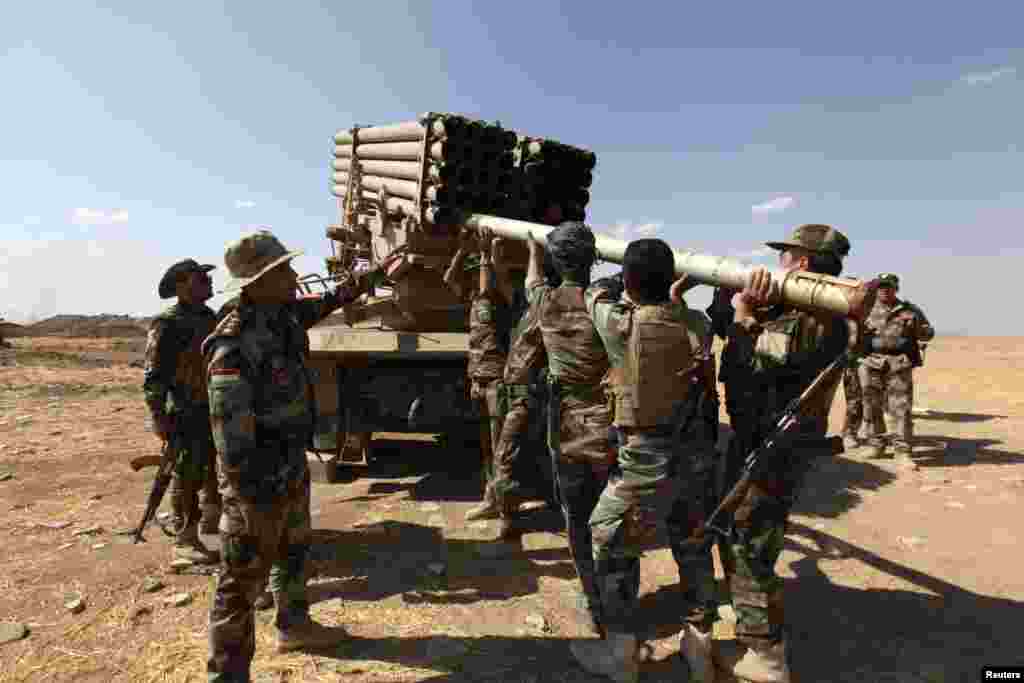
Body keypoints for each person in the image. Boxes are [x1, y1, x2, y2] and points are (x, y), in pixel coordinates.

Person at [203, 230, 360, 681]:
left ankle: (294, 625)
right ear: (261, 280)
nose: (294, 276)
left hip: (290, 463)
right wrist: (251, 497)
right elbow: (231, 439)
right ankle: (228, 674)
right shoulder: (233, 342)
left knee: (294, 551)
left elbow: (322, 305)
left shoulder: (282, 318)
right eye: (285, 270)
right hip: (254, 480)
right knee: (239, 583)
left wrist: (365, 282)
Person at [704, 224, 851, 683]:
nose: (780, 263)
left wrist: (744, 314)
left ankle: (764, 655)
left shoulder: (805, 321)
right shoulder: (807, 315)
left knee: (749, 543)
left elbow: (743, 372)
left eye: (786, 255)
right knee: (741, 535)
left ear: (802, 262)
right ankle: (753, 621)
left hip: (770, 450)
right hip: (771, 445)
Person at [569, 239, 720, 683]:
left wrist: (622, 277)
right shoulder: (698, 322)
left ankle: (621, 653)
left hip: (644, 459)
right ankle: (700, 647)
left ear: (631, 281)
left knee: (610, 540)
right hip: (693, 457)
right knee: (693, 548)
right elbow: (678, 317)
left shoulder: (620, 323)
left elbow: (594, 291)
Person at [525, 222, 613, 637]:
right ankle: (618, 595)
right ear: (592, 258)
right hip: (608, 420)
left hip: (567, 422)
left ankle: (594, 601)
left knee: (576, 515)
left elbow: (532, 280)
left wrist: (531, 252)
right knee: (611, 514)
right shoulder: (605, 301)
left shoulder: (544, 301)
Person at [143, 259, 221, 565]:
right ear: (181, 285)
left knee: (212, 468)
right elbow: (153, 375)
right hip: (184, 410)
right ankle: (184, 538)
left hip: (212, 406)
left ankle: (209, 521)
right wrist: (158, 415)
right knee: (187, 472)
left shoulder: (208, 316)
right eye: (200, 278)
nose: (208, 282)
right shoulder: (167, 322)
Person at [444, 229, 516, 521]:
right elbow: (449, 279)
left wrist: (487, 254)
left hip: (497, 382)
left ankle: (506, 512)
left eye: (479, 272)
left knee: (503, 451)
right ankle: (491, 500)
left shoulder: (500, 299)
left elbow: (490, 282)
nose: (475, 277)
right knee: (488, 449)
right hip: (478, 380)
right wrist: (462, 250)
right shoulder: (474, 299)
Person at [858, 272, 934, 467]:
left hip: (899, 363)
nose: (884, 289)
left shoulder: (909, 310)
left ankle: (902, 452)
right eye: (881, 286)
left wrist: (920, 329)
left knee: (900, 408)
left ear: (896, 288)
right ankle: (876, 444)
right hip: (871, 362)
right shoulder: (864, 308)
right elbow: (852, 332)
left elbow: (927, 333)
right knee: (871, 406)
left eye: (889, 286)